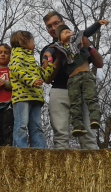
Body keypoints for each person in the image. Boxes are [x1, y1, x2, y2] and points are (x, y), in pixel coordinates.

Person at [40, 11, 100, 149]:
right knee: (61, 136)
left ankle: (94, 163)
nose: (53, 28)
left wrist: (89, 46)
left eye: (56, 23)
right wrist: (59, 58)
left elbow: (99, 63)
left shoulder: (79, 42)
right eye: (49, 26)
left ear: (63, 23)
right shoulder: (48, 50)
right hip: (60, 91)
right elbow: (47, 79)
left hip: (82, 90)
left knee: (89, 136)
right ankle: (62, 164)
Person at [52, 20, 109, 136]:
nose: (66, 32)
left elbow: (88, 31)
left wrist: (98, 24)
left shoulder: (79, 40)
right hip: (73, 79)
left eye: (68, 30)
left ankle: (95, 118)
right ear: (60, 40)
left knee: (91, 97)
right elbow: (49, 53)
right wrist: (47, 58)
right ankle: (77, 125)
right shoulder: (59, 49)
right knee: (75, 102)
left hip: (86, 74)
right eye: (63, 32)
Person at [9, 31, 54, 148]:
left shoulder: (30, 58)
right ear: (24, 41)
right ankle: (20, 150)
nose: (34, 44)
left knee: (37, 126)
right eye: (32, 41)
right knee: (21, 125)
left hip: (35, 96)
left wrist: (49, 62)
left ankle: (39, 151)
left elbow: (43, 76)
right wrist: (32, 81)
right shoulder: (17, 54)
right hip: (22, 97)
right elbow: (17, 70)